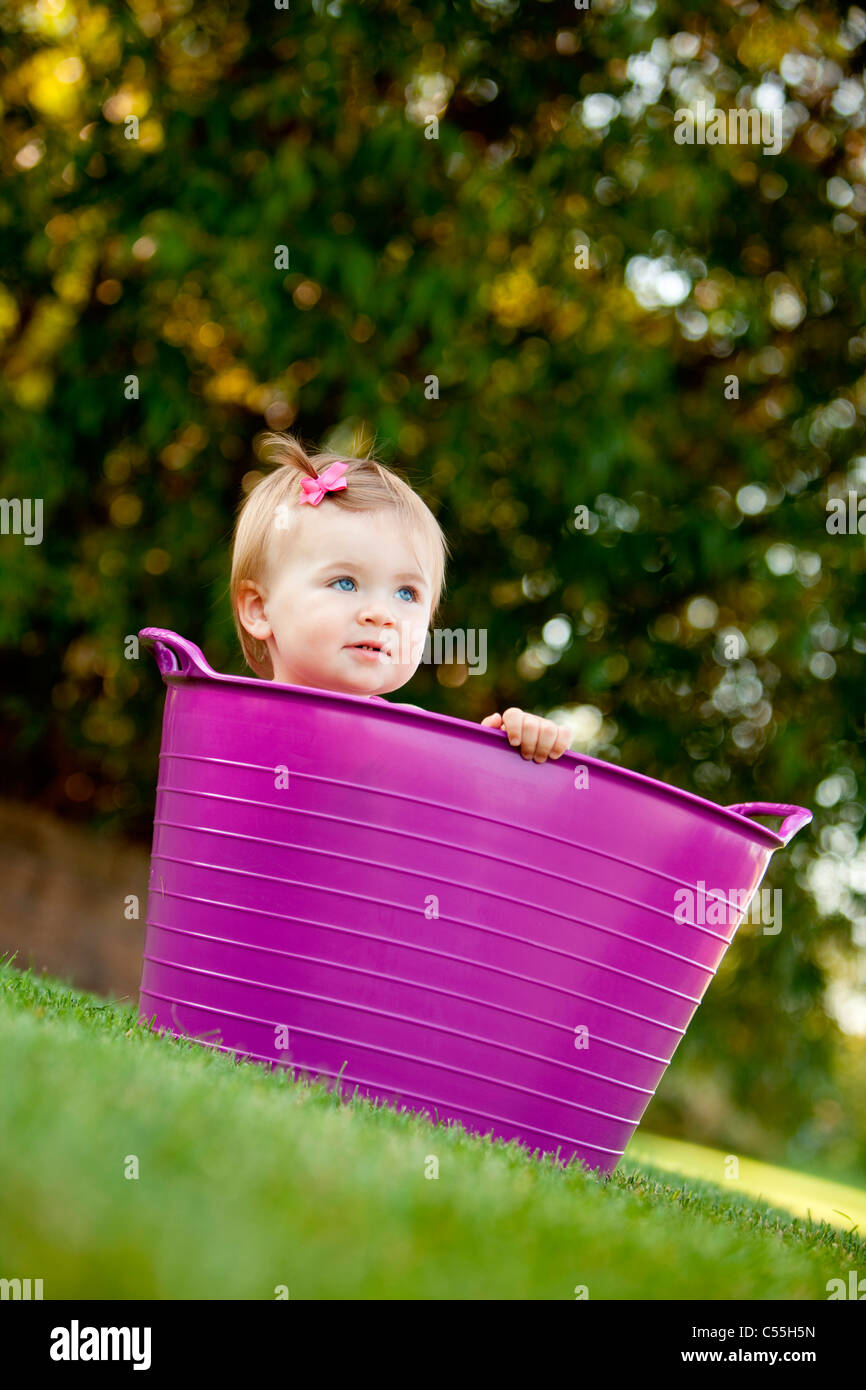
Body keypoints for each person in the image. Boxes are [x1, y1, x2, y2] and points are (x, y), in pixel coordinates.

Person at [231, 431, 572, 763]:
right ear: (260, 609)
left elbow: (469, 798)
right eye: (345, 583)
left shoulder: (414, 737)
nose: (381, 615)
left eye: (406, 593)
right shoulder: (225, 721)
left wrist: (508, 750)